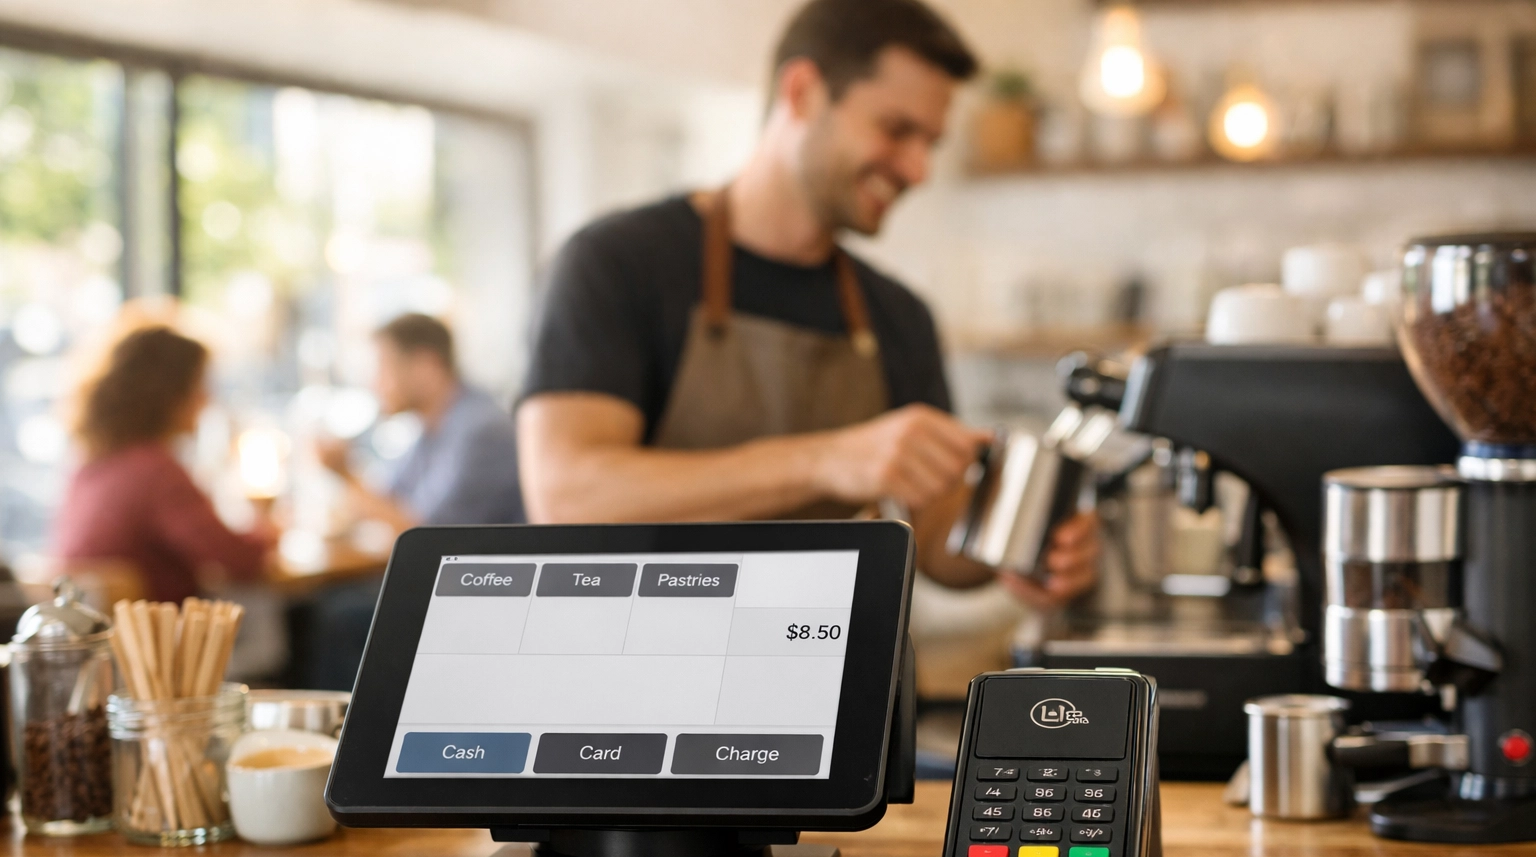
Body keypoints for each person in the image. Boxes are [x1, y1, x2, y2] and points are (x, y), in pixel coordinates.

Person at [517, 0, 1097, 605]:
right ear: (801, 92)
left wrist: (1028, 546)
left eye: (930, 142)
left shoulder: (897, 313)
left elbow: (935, 537)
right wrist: (826, 461)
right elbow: (565, 495)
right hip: (652, 678)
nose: (919, 170)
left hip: (844, 679)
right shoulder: (617, 262)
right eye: (897, 130)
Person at [54, 325, 277, 604]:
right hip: (158, 641)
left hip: (96, 638)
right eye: (199, 385)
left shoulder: (90, 465)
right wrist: (268, 529)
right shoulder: (155, 471)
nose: (207, 399)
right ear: (170, 393)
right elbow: (240, 562)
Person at [318, 313, 523, 528]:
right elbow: (391, 498)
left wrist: (344, 473)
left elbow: (424, 533)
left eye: (383, 367)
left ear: (426, 365)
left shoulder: (482, 431)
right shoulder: (432, 427)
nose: (374, 383)